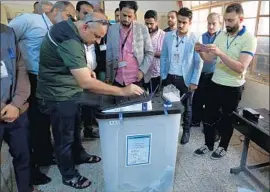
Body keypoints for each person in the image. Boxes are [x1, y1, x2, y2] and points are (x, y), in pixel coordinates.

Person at [35, 12, 144, 189]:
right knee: (65, 137)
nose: (98, 42)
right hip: (58, 95)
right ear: (85, 26)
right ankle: (69, 175)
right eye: (97, 36)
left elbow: (70, 62)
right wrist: (123, 90)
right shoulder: (68, 38)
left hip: (70, 90)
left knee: (74, 125)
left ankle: (79, 154)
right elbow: (86, 82)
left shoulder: (71, 28)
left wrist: (83, 69)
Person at [8, 1, 77, 185]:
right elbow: (8, 39)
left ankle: (45, 156)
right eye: (69, 16)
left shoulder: (58, 31)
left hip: (46, 79)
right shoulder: (29, 21)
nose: (70, 20)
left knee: (44, 121)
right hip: (28, 77)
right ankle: (32, 169)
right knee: (32, 124)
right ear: (55, 10)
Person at [194, 3, 257, 159]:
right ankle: (208, 144)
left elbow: (241, 67)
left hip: (233, 87)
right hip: (216, 82)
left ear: (240, 19)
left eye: (230, 20)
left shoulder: (249, 39)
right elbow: (209, 58)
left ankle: (223, 147)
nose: (226, 24)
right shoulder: (221, 35)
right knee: (208, 116)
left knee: (227, 120)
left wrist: (221, 53)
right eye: (225, 20)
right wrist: (200, 51)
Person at [0, 23, 40, 192]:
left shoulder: (7, 32)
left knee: (23, 156)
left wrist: (16, 104)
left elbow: (20, 68)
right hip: (5, 109)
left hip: (16, 111)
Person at [160, 7, 203, 145]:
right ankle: (169, 130)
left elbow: (198, 62)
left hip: (186, 80)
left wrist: (195, 81)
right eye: (179, 21)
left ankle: (186, 131)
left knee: (188, 107)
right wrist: (163, 75)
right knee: (169, 105)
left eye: (184, 22)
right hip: (170, 77)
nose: (180, 25)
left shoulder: (195, 38)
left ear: (190, 23)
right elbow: (164, 57)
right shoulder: (168, 36)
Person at [106, 1, 154, 87]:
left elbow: (149, 53)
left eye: (130, 16)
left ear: (134, 15)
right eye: (124, 15)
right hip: (117, 79)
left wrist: (142, 71)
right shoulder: (111, 30)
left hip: (136, 79)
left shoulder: (142, 29)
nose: (126, 19)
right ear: (119, 11)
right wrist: (108, 77)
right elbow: (109, 56)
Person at [192, 12, 222, 142]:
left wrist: (201, 51)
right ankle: (195, 121)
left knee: (213, 104)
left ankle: (212, 129)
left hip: (216, 75)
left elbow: (210, 58)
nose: (210, 26)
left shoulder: (223, 37)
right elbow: (201, 55)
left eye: (214, 23)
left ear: (220, 24)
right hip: (203, 73)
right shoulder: (202, 36)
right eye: (209, 23)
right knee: (198, 99)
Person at [144, 10, 165, 93]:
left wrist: (150, 53)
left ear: (156, 22)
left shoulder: (163, 35)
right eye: (146, 23)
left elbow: (165, 55)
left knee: (155, 99)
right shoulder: (142, 34)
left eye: (151, 24)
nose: (149, 26)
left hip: (157, 74)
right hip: (144, 73)